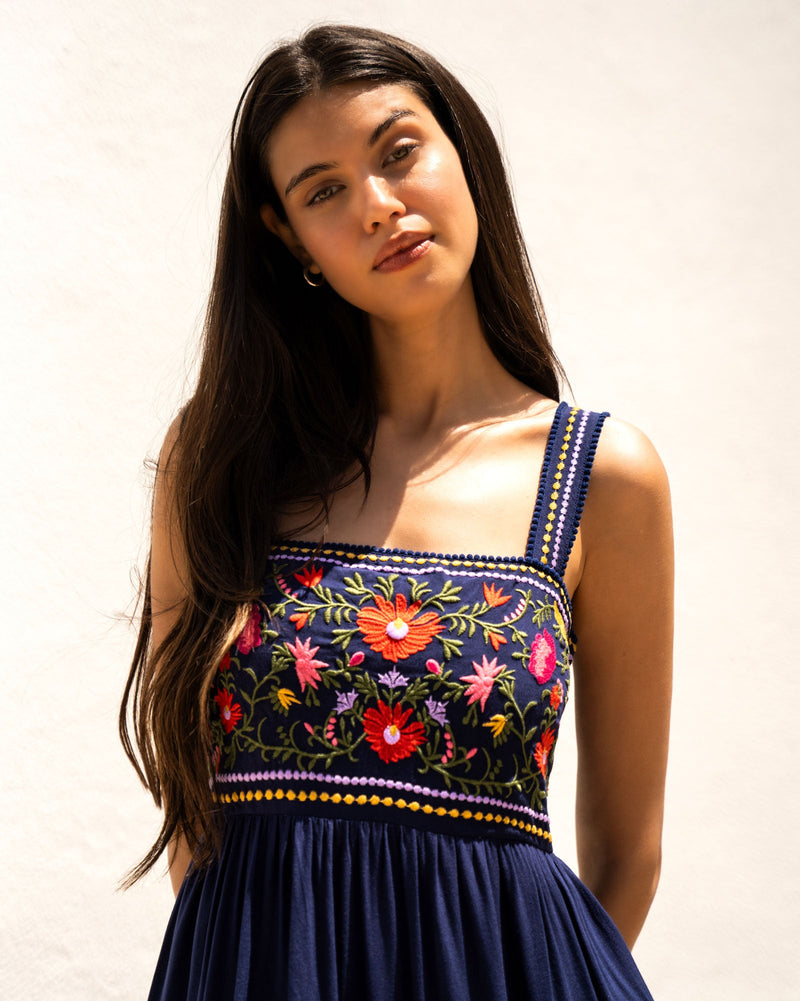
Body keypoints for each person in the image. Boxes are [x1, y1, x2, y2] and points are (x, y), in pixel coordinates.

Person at [121, 23, 673, 1001]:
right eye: (323, 190)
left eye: (398, 151)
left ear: (459, 148)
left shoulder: (598, 478)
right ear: (287, 238)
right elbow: (193, 813)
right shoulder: (219, 462)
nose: (377, 205)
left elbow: (624, 854)